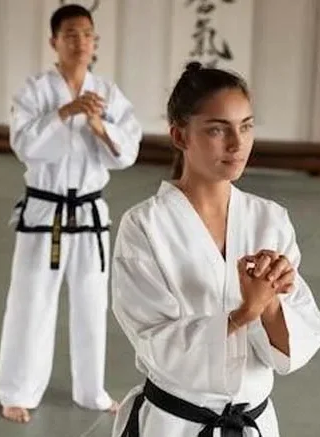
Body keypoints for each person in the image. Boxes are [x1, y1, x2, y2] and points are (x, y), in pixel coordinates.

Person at [111, 61, 320, 436]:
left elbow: (299, 341)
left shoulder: (269, 219)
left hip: (253, 422)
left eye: (246, 126)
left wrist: (270, 304)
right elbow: (154, 342)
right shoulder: (144, 226)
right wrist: (244, 312)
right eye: (216, 130)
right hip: (176, 424)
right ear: (179, 136)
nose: (237, 144)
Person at [0, 4, 143, 423]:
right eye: (71, 34)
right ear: (54, 42)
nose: (81, 42)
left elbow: (126, 152)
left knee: (92, 303)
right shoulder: (35, 91)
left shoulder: (108, 94)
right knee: (31, 302)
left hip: (91, 213)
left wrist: (100, 127)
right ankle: (17, 391)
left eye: (87, 34)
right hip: (45, 211)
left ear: (96, 42)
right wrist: (65, 113)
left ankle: (90, 390)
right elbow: (24, 144)